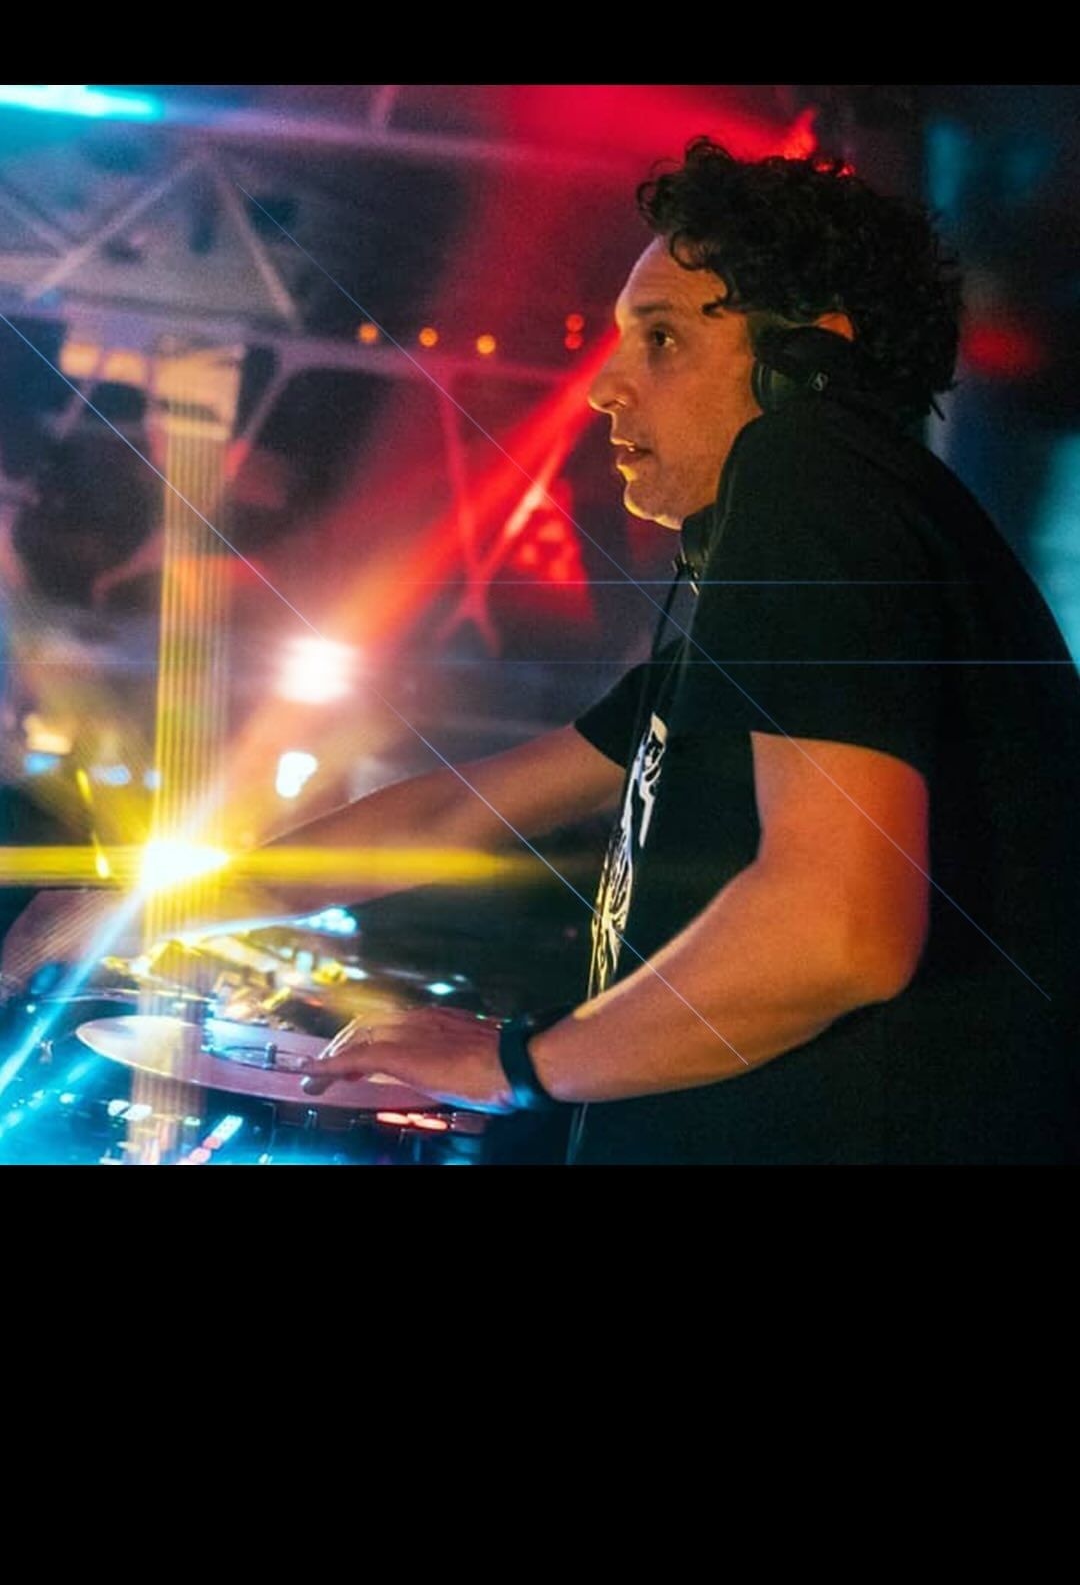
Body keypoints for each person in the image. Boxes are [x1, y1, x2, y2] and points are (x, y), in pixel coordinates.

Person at [4, 138, 1079, 1163]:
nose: (607, 386)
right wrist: (147, 906)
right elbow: (447, 816)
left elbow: (838, 931)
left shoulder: (810, 467)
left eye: (661, 339)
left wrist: (517, 1064)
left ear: (810, 364)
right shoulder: (802, 590)